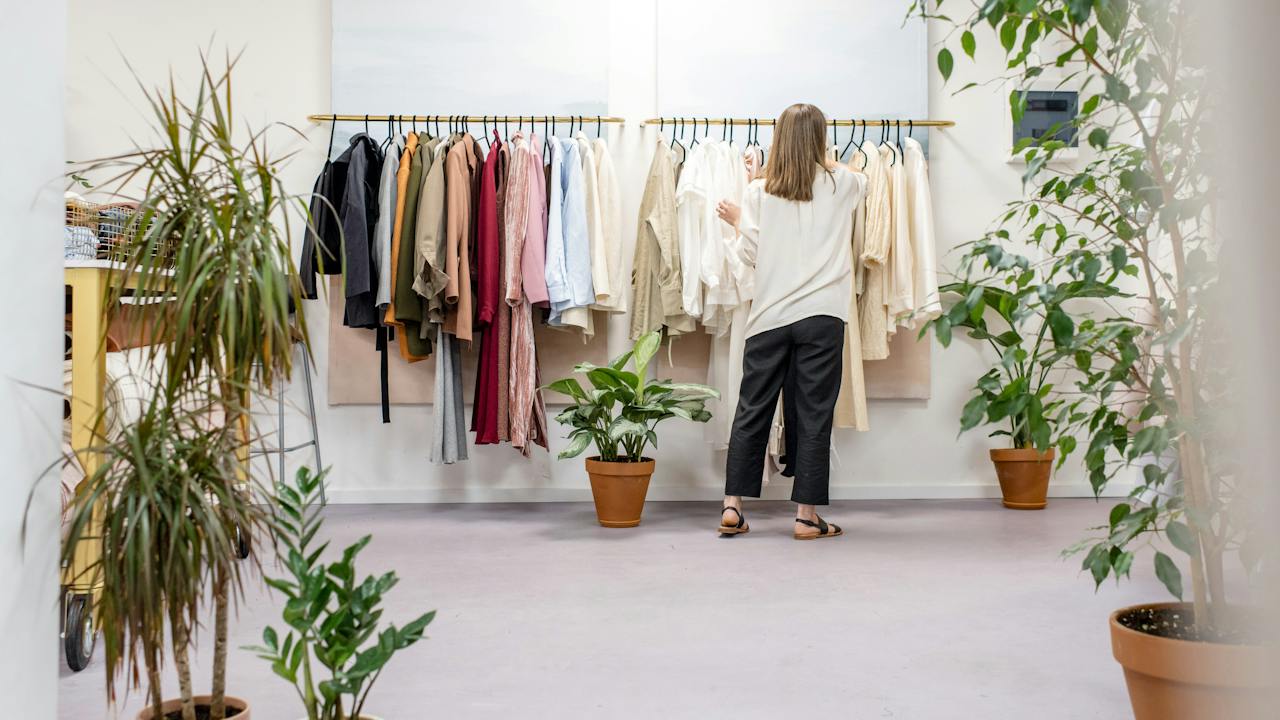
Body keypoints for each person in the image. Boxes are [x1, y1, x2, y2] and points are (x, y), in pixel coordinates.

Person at [714, 103, 866, 540]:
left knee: (752, 409)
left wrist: (742, 220)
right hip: (823, 315)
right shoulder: (844, 183)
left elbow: (750, 254)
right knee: (814, 414)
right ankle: (805, 517)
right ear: (822, 140)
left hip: (769, 316)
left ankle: (732, 508)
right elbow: (862, 180)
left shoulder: (759, 192)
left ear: (777, 139)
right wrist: (821, 156)